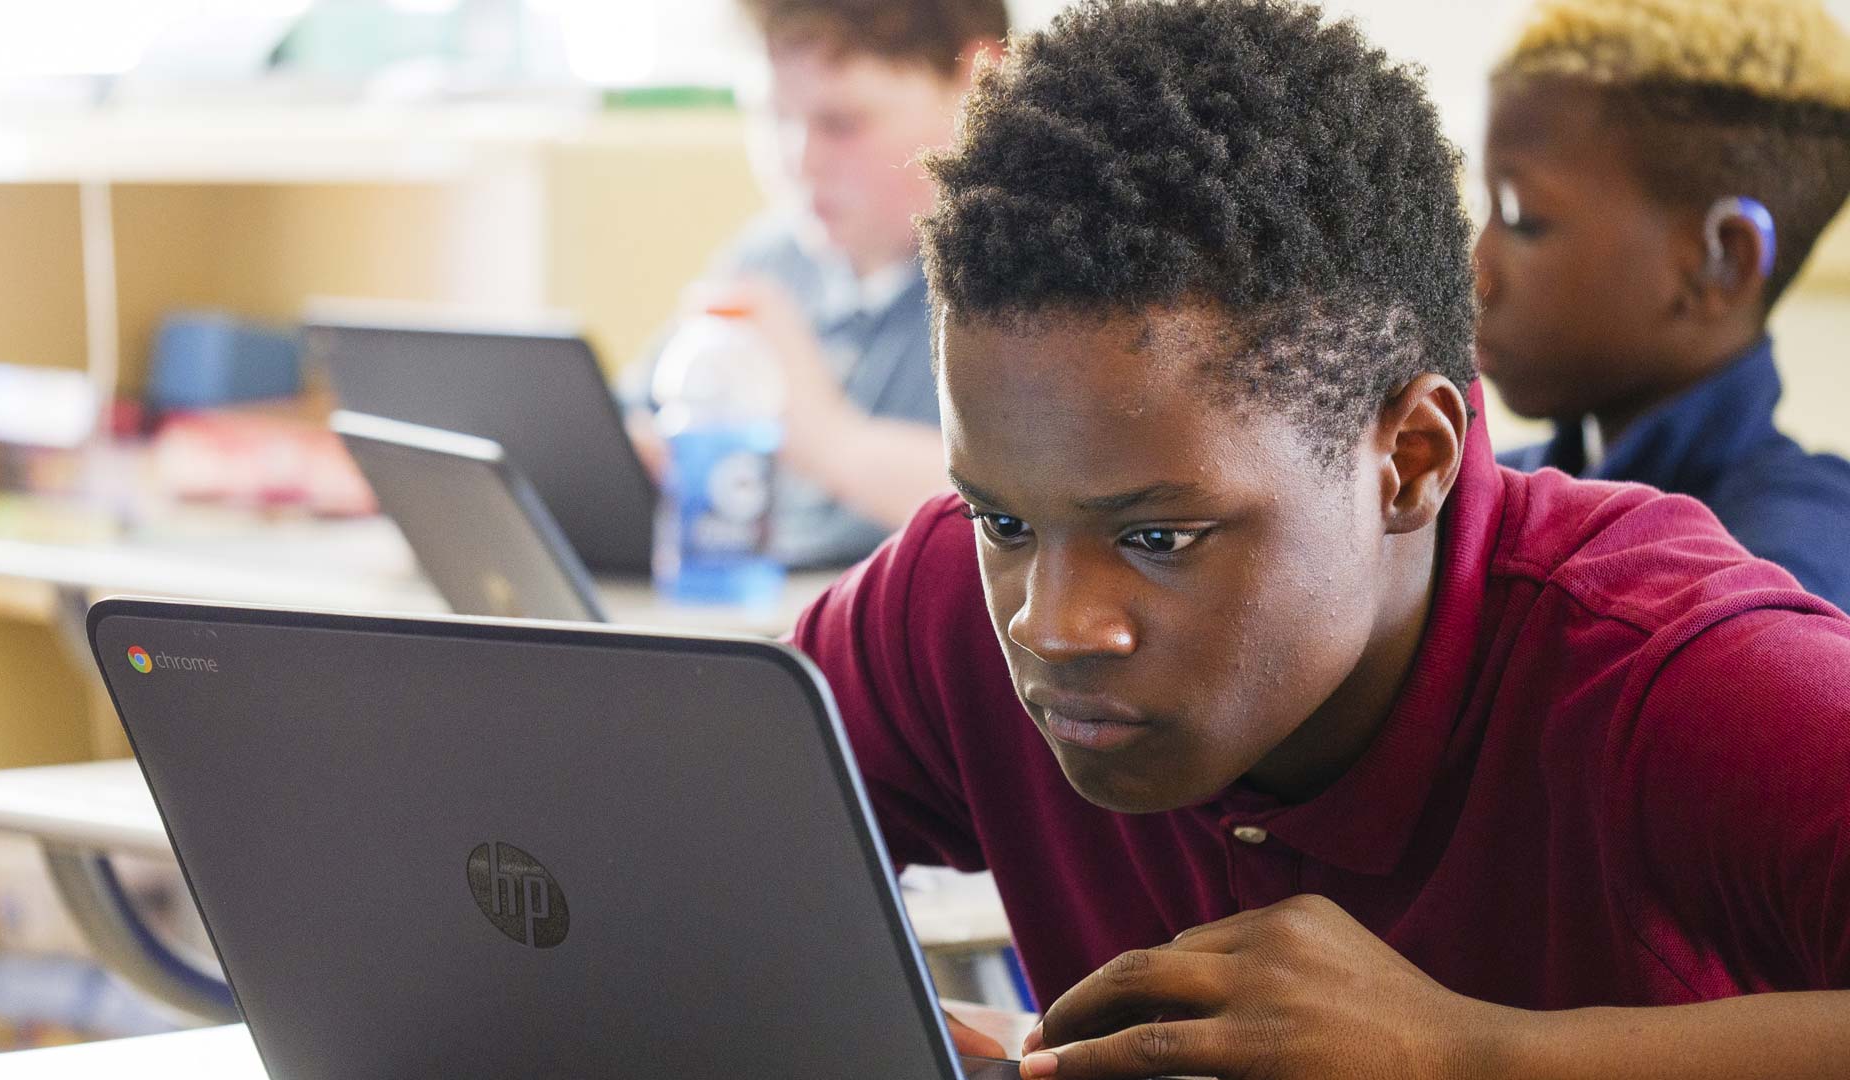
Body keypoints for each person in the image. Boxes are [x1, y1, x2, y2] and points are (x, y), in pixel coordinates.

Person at [788, 1, 1850, 1077]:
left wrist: (1472, 1057)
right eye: (1003, 520)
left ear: (1411, 462)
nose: (1050, 623)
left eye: (1159, 535)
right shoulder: (945, 604)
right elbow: (654, 830)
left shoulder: (1670, 675)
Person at [1479, 0, 1850, 609]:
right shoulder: (1488, 492)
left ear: (1720, 263)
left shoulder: (1784, 565)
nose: (1478, 269)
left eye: (1524, 219)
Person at [630, 0, 1007, 569]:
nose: (798, 162)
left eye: (842, 123)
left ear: (978, 83)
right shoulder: (774, 257)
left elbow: (1046, 510)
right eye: (774, 118)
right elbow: (638, 420)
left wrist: (827, 439)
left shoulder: (1031, 278)